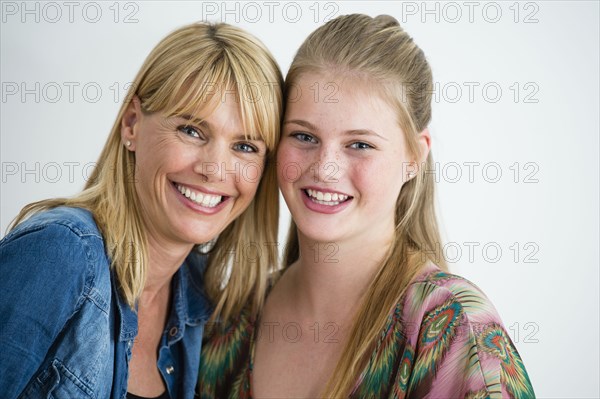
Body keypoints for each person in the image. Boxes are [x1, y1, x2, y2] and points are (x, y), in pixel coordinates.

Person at [197, 14, 535, 398]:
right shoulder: (230, 321)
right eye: (304, 136)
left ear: (414, 156)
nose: (324, 169)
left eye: (360, 144)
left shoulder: (454, 331)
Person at [0, 22, 282, 399]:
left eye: (245, 146)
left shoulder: (200, 301)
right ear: (132, 123)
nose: (215, 169)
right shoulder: (59, 254)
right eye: (192, 130)